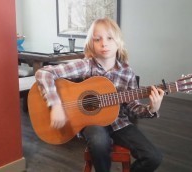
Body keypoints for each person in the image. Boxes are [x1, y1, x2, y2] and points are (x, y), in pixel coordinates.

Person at [35, 17, 165, 172]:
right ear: (91, 44)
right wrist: (55, 105)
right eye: (98, 39)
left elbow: (133, 108)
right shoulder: (86, 65)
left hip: (119, 124)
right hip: (91, 122)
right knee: (99, 140)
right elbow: (44, 73)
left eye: (110, 38)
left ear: (119, 42)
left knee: (153, 156)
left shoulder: (127, 73)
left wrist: (152, 108)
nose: (104, 43)